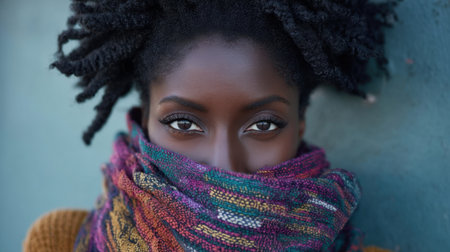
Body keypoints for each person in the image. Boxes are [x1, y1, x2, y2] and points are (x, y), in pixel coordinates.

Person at [23, 0, 398, 251]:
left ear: (299, 127)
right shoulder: (59, 241)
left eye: (264, 125)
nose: (225, 163)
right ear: (144, 122)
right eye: (184, 122)